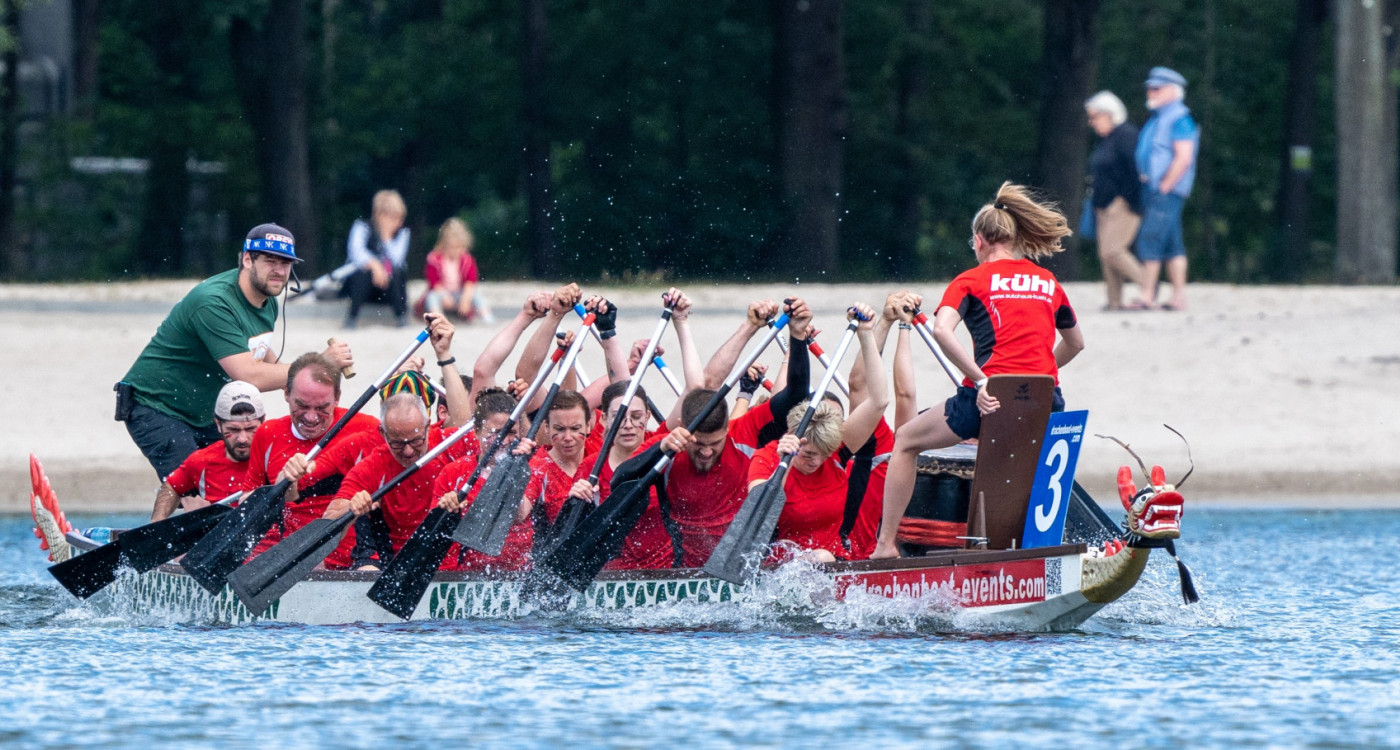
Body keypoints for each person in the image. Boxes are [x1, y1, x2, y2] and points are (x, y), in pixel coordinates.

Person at [872, 182, 1086, 560]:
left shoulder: (970, 280)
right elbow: (1075, 343)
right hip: (1045, 400)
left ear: (979, 241)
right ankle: (1029, 550)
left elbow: (941, 330)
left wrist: (983, 379)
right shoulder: (1048, 282)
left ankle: (886, 546)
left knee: (905, 441)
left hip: (986, 398)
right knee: (1022, 469)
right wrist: (1043, 375)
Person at [117, 223, 354, 480]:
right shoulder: (213, 302)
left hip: (206, 414)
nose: (279, 271)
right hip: (156, 407)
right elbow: (248, 376)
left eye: (285, 263)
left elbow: (258, 350)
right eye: (270, 261)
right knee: (193, 493)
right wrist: (319, 363)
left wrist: (304, 381)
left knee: (236, 486)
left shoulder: (268, 300)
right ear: (247, 260)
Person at [746, 303, 887, 563]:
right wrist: (784, 466)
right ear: (793, 436)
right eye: (809, 453)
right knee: (816, 558)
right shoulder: (767, 458)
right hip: (778, 564)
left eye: (823, 455)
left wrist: (866, 335)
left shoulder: (832, 447)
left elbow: (879, 401)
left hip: (829, 558)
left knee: (822, 557)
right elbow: (756, 508)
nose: (817, 462)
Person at [241, 353, 381, 567]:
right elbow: (247, 505)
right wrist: (282, 483)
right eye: (302, 406)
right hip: (293, 562)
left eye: (322, 408)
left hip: (357, 562)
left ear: (337, 398)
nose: (311, 417)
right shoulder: (267, 434)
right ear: (286, 394)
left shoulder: (368, 429)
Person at [566, 382, 681, 570]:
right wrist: (575, 501)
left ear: (648, 416)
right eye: (619, 417)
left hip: (663, 571)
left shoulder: (665, 456)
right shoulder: (590, 468)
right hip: (611, 576)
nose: (628, 425)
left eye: (636, 417)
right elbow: (576, 532)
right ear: (604, 419)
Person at [434, 388, 539, 571]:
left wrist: (517, 469)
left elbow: (517, 515)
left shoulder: (528, 468)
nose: (505, 440)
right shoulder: (453, 473)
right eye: (497, 432)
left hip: (517, 573)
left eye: (512, 432)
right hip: (467, 574)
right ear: (476, 431)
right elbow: (435, 533)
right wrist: (446, 509)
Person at [149, 381, 266, 521]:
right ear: (218, 425)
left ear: (263, 421)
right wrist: (156, 526)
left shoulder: (276, 453)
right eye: (233, 430)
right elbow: (170, 487)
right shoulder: (202, 461)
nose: (242, 439)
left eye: (250, 429)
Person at [1133, 67, 1199, 311]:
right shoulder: (1160, 117)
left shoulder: (1179, 118)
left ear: (1173, 91)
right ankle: (1178, 298)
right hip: (1158, 188)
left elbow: (1184, 157)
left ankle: (1147, 296)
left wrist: (1164, 185)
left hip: (1165, 190)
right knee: (1172, 244)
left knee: (1150, 238)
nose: (1151, 92)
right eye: (1150, 88)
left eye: (1157, 88)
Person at [1085, 90, 1144, 311]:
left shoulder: (1126, 135)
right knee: (1105, 254)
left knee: (1113, 251)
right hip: (1103, 205)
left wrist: (1128, 200)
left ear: (1110, 114)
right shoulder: (1106, 140)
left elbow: (1133, 171)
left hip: (1121, 204)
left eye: (1095, 117)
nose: (1091, 122)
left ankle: (1149, 289)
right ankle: (1114, 300)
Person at [343, 189, 411, 329]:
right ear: (379, 214)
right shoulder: (362, 227)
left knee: (397, 272)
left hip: (388, 287)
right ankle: (351, 318)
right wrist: (375, 266)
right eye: (393, 217)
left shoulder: (403, 234)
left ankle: (401, 316)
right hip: (363, 285)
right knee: (361, 271)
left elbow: (397, 260)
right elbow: (356, 253)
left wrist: (386, 238)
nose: (397, 223)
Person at [416, 217, 494, 324]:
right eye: (452, 247)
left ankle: (486, 316)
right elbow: (434, 283)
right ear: (444, 245)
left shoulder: (467, 260)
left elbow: (470, 282)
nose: (456, 251)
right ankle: (439, 319)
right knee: (432, 297)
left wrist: (465, 299)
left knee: (476, 294)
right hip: (442, 294)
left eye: (459, 247)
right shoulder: (434, 259)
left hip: (459, 294)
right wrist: (444, 295)